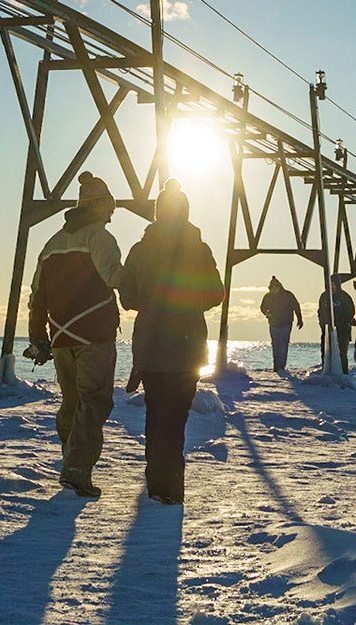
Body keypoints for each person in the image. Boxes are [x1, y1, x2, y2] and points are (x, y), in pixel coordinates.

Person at [117, 179, 223, 505]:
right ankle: (171, 488)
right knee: (176, 419)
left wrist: (150, 299)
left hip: (150, 344)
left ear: (156, 213)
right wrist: (189, 301)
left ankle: (156, 484)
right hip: (188, 346)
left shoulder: (140, 249)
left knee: (155, 414)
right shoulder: (199, 248)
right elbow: (215, 293)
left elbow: (128, 298)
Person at [26, 172, 124, 497]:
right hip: (94, 337)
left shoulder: (52, 243)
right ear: (99, 207)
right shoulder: (100, 238)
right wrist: (148, 279)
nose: (112, 215)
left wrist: (37, 336)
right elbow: (115, 277)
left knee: (71, 404)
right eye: (109, 208)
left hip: (60, 339)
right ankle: (76, 472)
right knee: (94, 403)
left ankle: (70, 459)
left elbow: (37, 295)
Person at [259, 276, 303, 372]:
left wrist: (300, 319)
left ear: (279, 286)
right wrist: (266, 313)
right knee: (275, 345)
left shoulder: (288, 295)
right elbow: (262, 307)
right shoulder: (267, 296)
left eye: (275, 286)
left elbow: (296, 306)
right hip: (274, 323)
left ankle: (281, 367)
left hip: (286, 323)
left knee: (283, 345)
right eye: (271, 287)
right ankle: (276, 367)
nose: (273, 289)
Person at [317, 280, 356, 373]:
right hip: (326, 329)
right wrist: (322, 323)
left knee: (341, 353)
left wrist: (340, 322)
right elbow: (320, 311)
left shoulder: (345, 297)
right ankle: (326, 371)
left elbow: (350, 312)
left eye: (334, 284)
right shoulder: (324, 296)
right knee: (325, 352)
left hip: (342, 330)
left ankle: (343, 372)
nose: (332, 286)